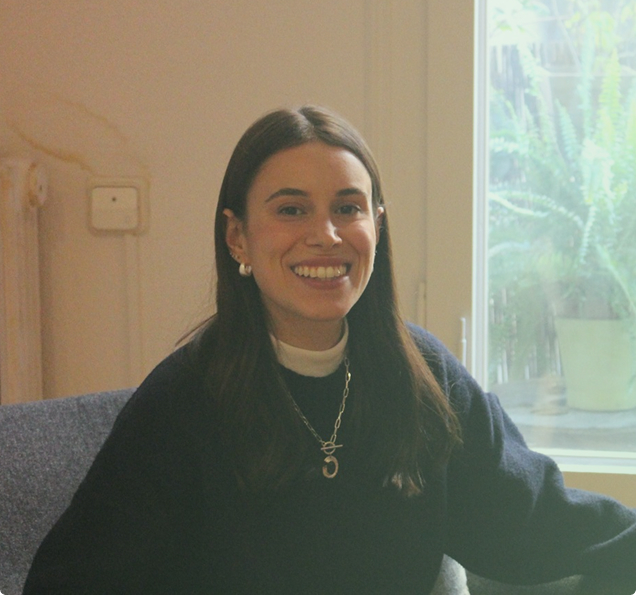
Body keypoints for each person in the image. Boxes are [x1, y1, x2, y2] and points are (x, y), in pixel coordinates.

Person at [23, 106, 636, 594]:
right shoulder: (183, 399)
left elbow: (540, 526)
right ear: (237, 236)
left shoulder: (425, 378)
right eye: (292, 210)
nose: (326, 235)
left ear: (377, 226)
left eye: (348, 208)